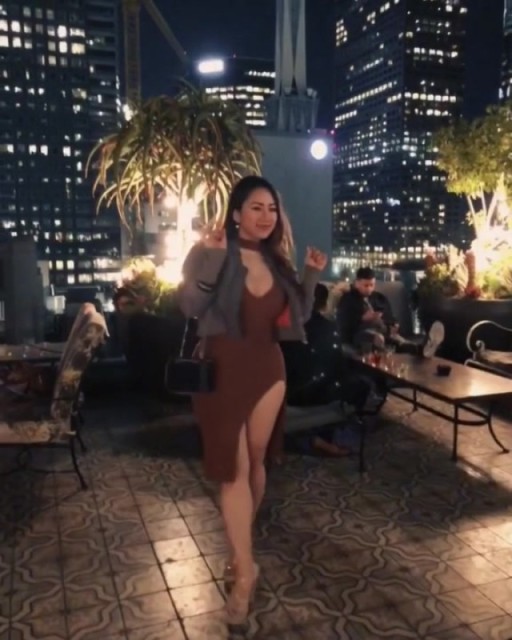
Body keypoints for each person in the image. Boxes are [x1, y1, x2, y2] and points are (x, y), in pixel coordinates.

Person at [177, 175, 327, 624]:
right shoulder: (211, 251)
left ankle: (237, 550)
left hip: (269, 369)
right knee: (234, 467)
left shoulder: (278, 262)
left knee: (256, 461)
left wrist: (311, 273)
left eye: (272, 209)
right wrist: (210, 258)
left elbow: (298, 315)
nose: (266, 216)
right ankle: (245, 574)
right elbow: (189, 306)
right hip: (221, 367)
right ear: (237, 213)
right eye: (256, 207)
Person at [337, 266, 444, 356]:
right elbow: (343, 327)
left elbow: (390, 317)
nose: (369, 289)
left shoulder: (379, 298)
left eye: (372, 285)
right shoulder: (348, 300)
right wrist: (362, 319)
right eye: (366, 285)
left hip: (384, 331)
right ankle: (385, 349)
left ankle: (422, 348)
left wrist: (393, 325)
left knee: (399, 341)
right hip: (361, 333)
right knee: (377, 338)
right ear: (357, 283)